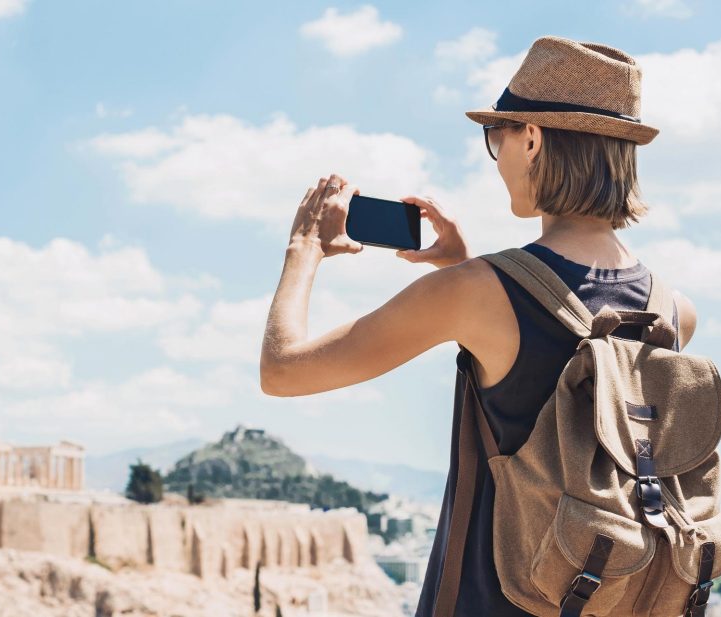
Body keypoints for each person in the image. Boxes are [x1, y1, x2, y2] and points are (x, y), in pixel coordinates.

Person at [259, 36, 698, 615]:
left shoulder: (476, 294)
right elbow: (555, 344)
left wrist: (302, 249)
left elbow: (283, 371)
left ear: (533, 138)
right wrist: (464, 269)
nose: (497, 157)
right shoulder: (672, 311)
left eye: (498, 137)